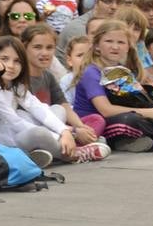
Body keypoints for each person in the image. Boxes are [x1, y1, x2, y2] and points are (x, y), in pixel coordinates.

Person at [73, 19, 153, 152]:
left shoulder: (122, 70)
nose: (115, 47)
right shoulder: (91, 71)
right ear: (97, 46)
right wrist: (151, 113)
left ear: (128, 47)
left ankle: (135, 140)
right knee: (130, 119)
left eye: (121, 42)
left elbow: (137, 102)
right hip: (99, 122)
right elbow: (106, 110)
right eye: (109, 41)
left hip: (127, 114)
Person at [0, 37, 79, 167]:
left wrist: (64, 131)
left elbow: (37, 107)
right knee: (39, 133)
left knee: (57, 109)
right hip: (4, 141)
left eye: (17, 61)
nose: (10, 66)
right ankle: (73, 154)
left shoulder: (16, 85)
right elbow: (13, 121)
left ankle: (40, 153)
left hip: (19, 132)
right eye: (4, 59)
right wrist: (59, 136)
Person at [20, 24, 108, 161]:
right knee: (54, 114)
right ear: (24, 48)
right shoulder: (20, 78)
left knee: (95, 119)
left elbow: (65, 106)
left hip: (58, 125)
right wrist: (73, 131)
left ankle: (65, 147)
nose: (45, 53)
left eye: (49, 48)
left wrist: (81, 128)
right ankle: (75, 152)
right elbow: (33, 117)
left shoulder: (48, 76)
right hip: (35, 128)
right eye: (37, 47)